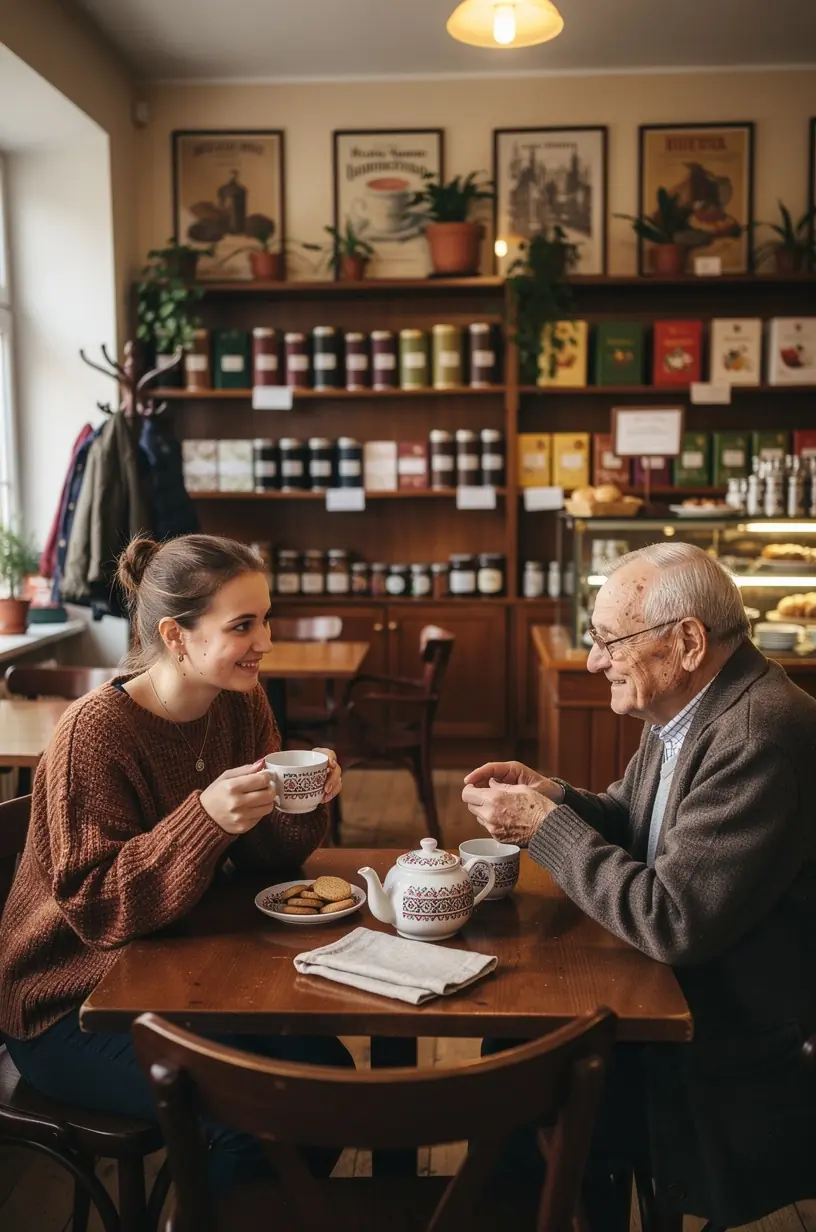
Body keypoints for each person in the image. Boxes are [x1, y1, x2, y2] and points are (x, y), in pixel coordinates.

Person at [463, 542, 816, 1228]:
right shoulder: (693, 701)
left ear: (686, 641)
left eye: (608, 641)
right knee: (515, 1054)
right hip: (680, 986)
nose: (595, 661)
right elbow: (634, 817)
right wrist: (554, 797)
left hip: (733, 1027)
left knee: (526, 1073)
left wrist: (544, 828)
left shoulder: (755, 734)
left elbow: (672, 921)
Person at [0, 533, 350, 1188]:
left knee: (326, 1072)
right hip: (69, 1003)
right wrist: (205, 817)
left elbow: (263, 862)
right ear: (177, 635)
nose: (265, 641)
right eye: (243, 624)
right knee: (261, 1119)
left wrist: (298, 805)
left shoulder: (242, 704)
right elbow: (99, 907)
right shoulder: (95, 733)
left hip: (173, 973)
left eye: (265, 618)